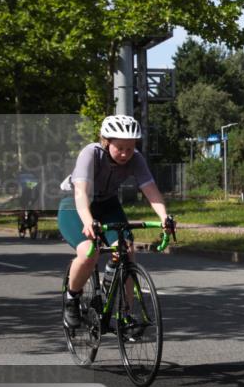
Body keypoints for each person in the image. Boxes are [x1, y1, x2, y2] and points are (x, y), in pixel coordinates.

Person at [58, 115, 173, 327]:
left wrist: (164, 217)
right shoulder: (90, 154)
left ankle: (124, 314)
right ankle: (72, 299)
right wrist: (88, 220)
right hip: (75, 205)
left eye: (130, 148)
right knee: (88, 253)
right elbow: (81, 193)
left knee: (127, 251)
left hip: (108, 204)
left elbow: (151, 191)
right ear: (106, 142)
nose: (125, 154)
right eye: (119, 148)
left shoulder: (136, 159)